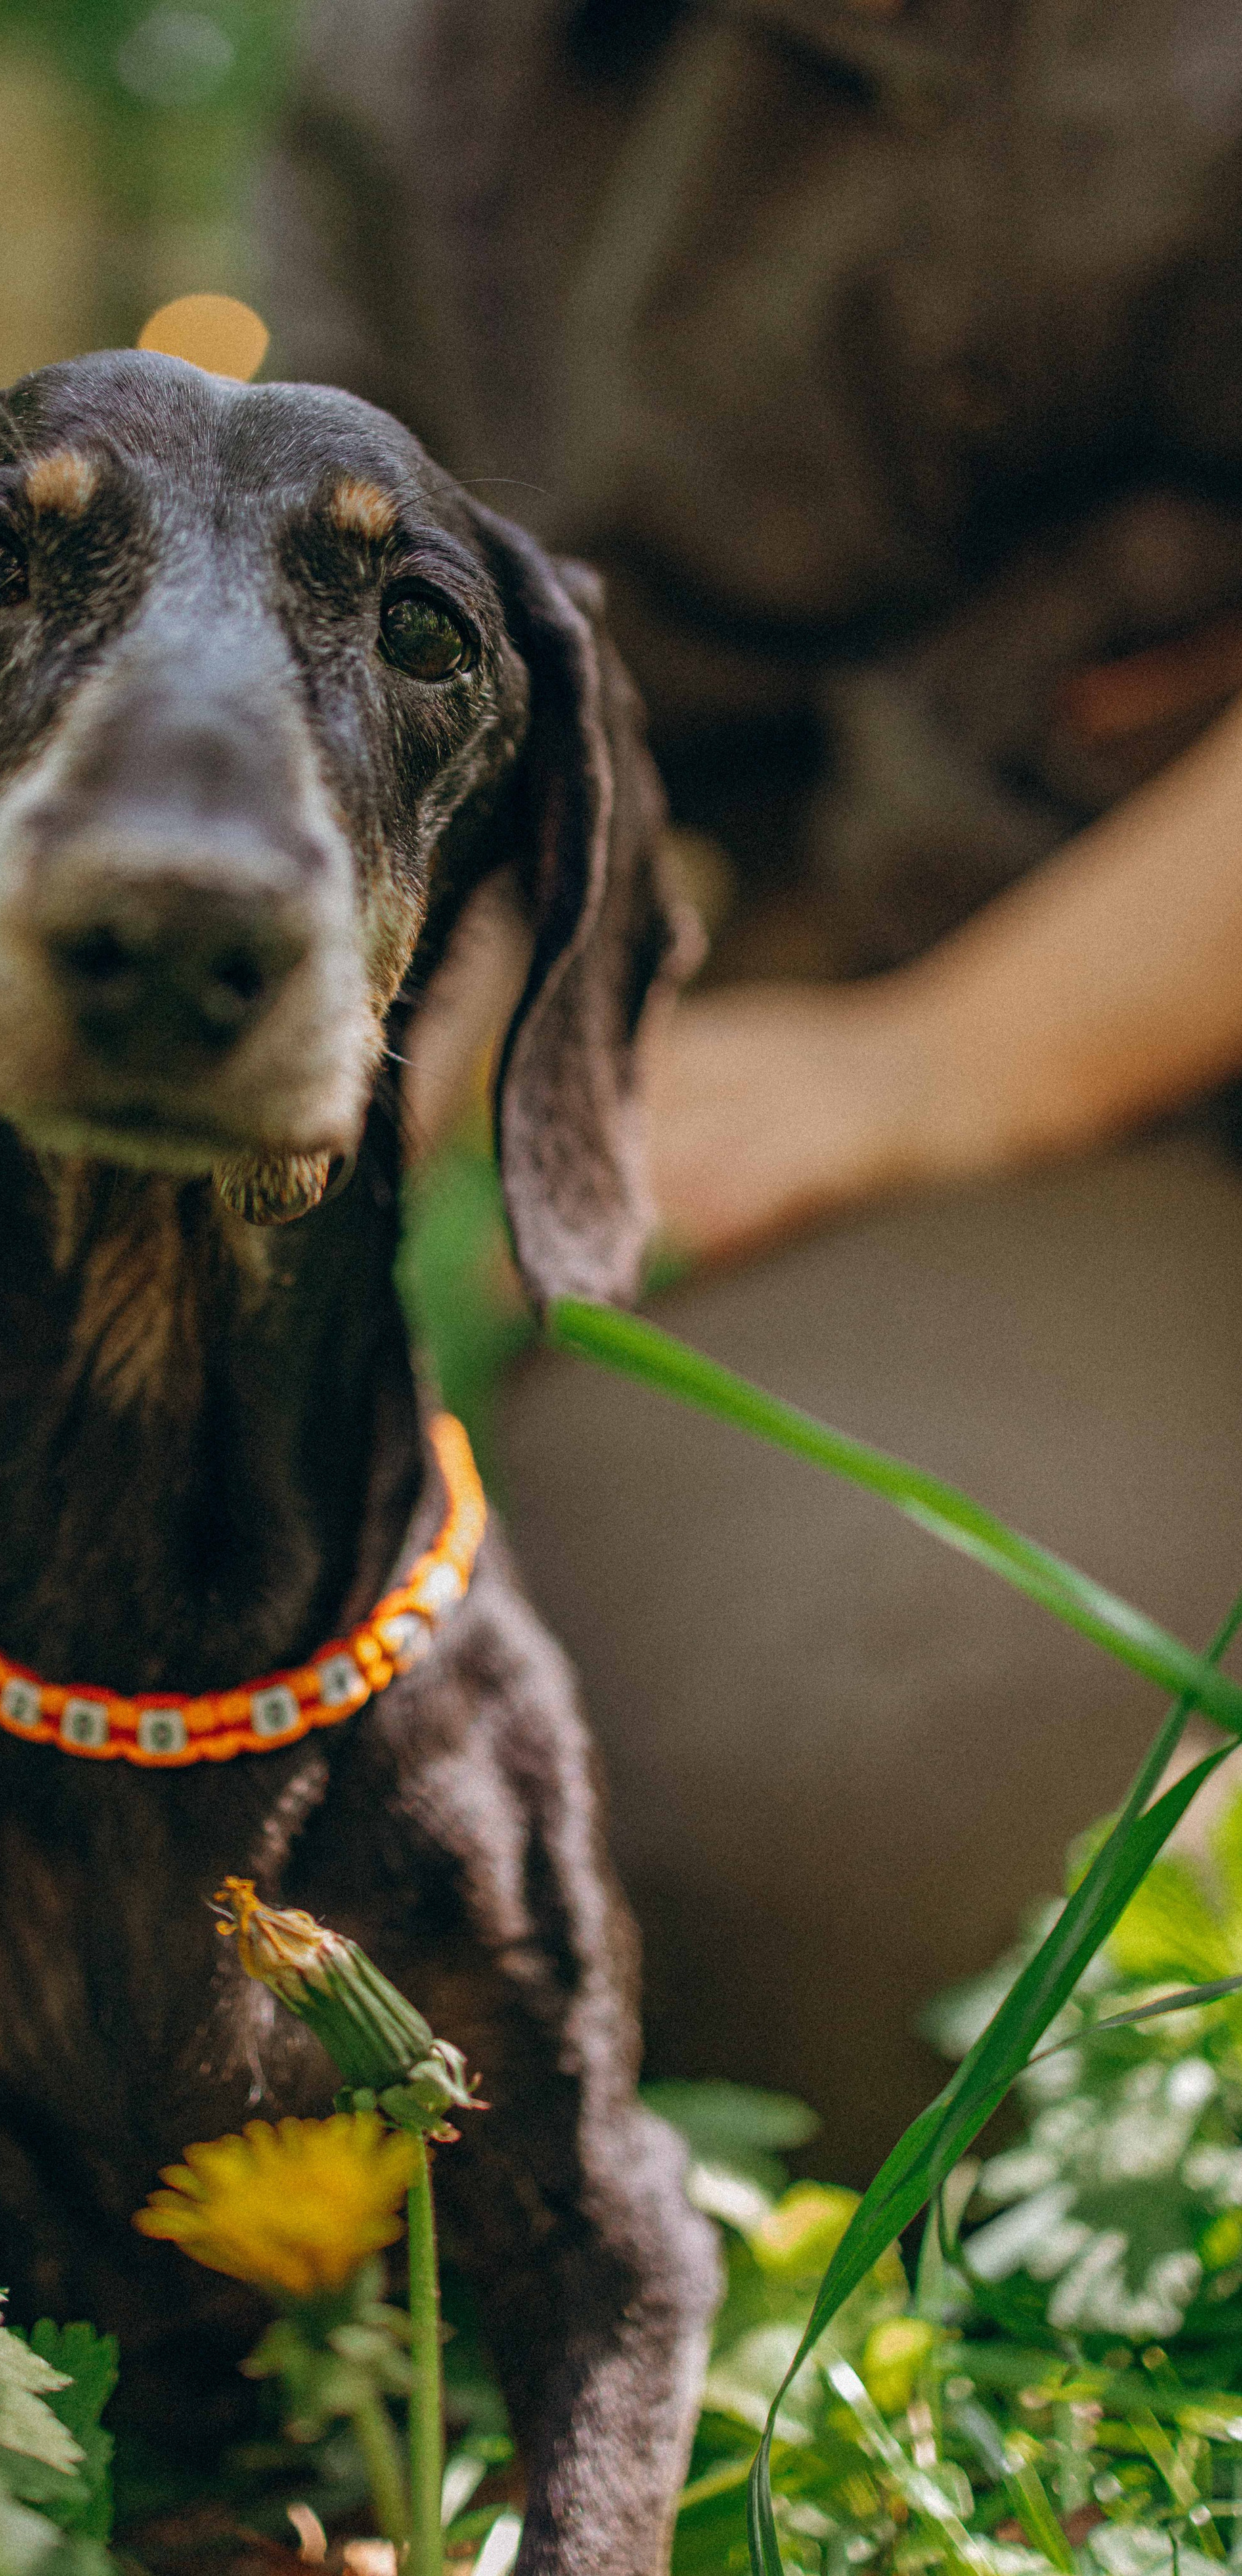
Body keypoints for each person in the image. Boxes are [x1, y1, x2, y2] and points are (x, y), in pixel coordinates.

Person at [262, 0, 1242, 2173]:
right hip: (829, 1050)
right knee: (800, 1795)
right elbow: (427, 732)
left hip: (1020, 1031)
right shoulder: (435, 93)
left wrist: (968, 1055)